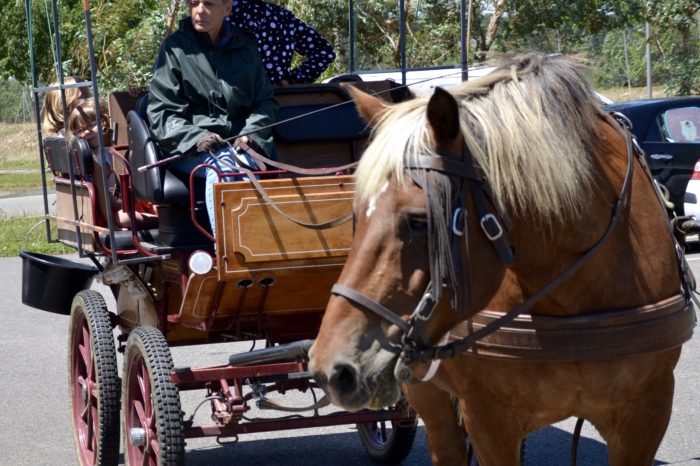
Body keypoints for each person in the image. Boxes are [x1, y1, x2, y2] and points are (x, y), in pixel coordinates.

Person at [147, 0, 278, 236]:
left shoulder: (246, 47)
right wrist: (197, 137)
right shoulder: (175, 48)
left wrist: (252, 135)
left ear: (227, 8)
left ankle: (262, 251)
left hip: (242, 146)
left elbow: (265, 102)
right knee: (224, 167)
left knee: (236, 161)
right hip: (189, 148)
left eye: (209, 4)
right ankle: (230, 257)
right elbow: (162, 112)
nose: (200, 10)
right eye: (194, 3)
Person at [68, 98, 158, 229]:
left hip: (122, 203)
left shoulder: (105, 150)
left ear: (104, 122)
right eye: (81, 130)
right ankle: (163, 223)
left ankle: (165, 220)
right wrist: (112, 225)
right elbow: (102, 196)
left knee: (152, 205)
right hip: (108, 213)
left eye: (92, 124)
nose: (87, 132)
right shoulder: (93, 161)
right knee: (125, 218)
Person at [228, 0, 335, 85]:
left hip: (225, 104)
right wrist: (292, 80)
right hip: (278, 104)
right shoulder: (282, 17)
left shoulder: (219, 16)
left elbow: (324, 52)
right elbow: (324, 52)